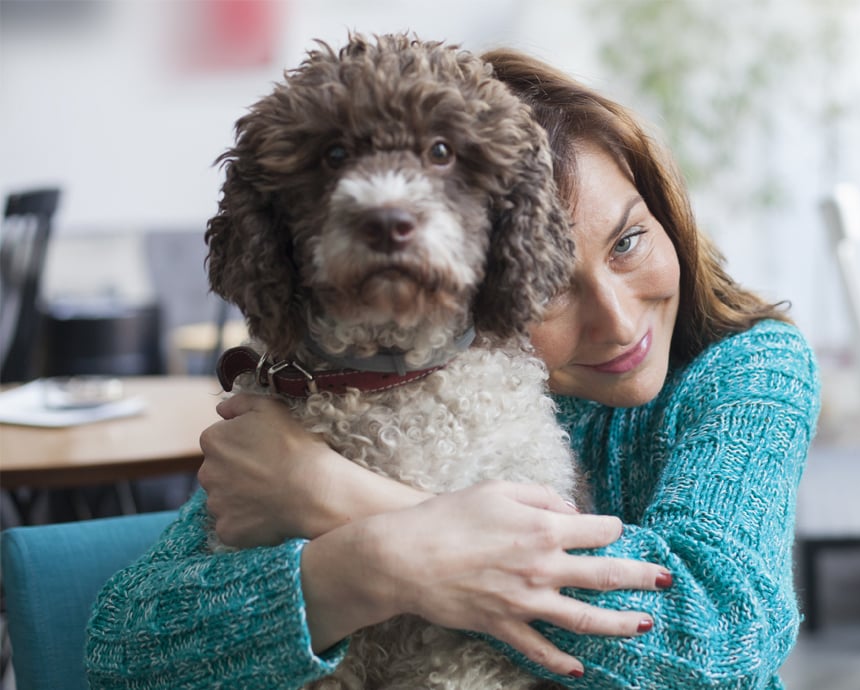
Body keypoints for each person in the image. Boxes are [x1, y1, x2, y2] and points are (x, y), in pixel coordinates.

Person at [85, 47, 820, 689]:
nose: (620, 320)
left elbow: (723, 642)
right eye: (555, 283)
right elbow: (125, 651)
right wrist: (359, 569)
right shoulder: (338, 388)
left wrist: (336, 499)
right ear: (487, 282)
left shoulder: (747, 369)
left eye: (627, 241)